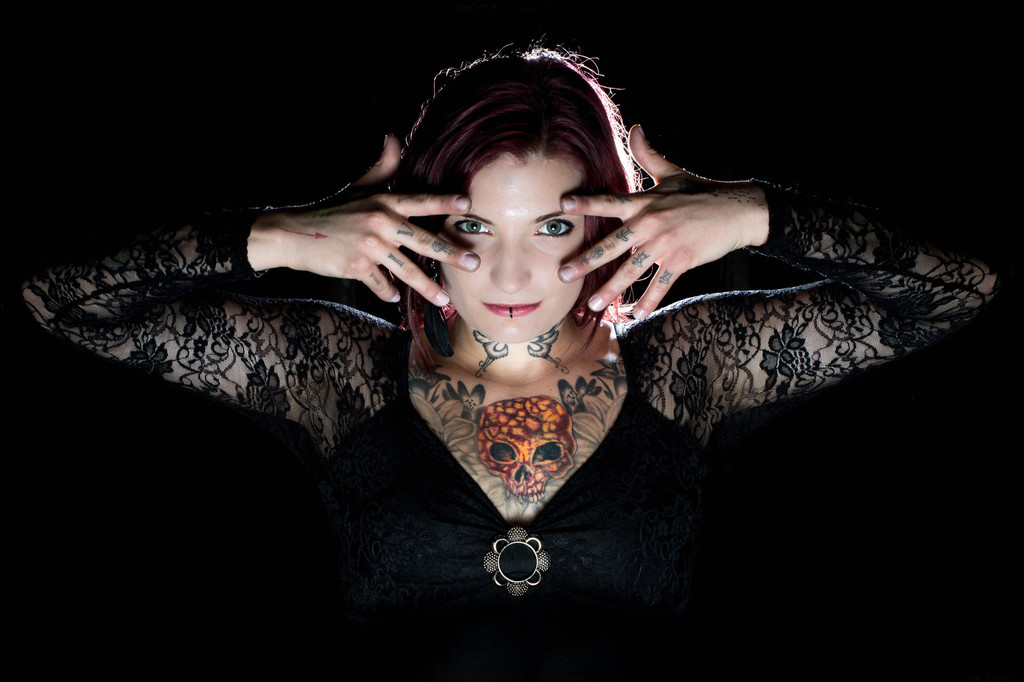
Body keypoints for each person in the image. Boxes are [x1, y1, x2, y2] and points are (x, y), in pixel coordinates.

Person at [20, 46, 999, 678]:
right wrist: (276, 236)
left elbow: (957, 292)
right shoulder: (335, 370)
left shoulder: (691, 365)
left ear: (614, 218)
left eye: (554, 225)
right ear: (412, 218)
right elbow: (63, 304)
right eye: (473, 226)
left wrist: (758, 215)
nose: (511, 271)